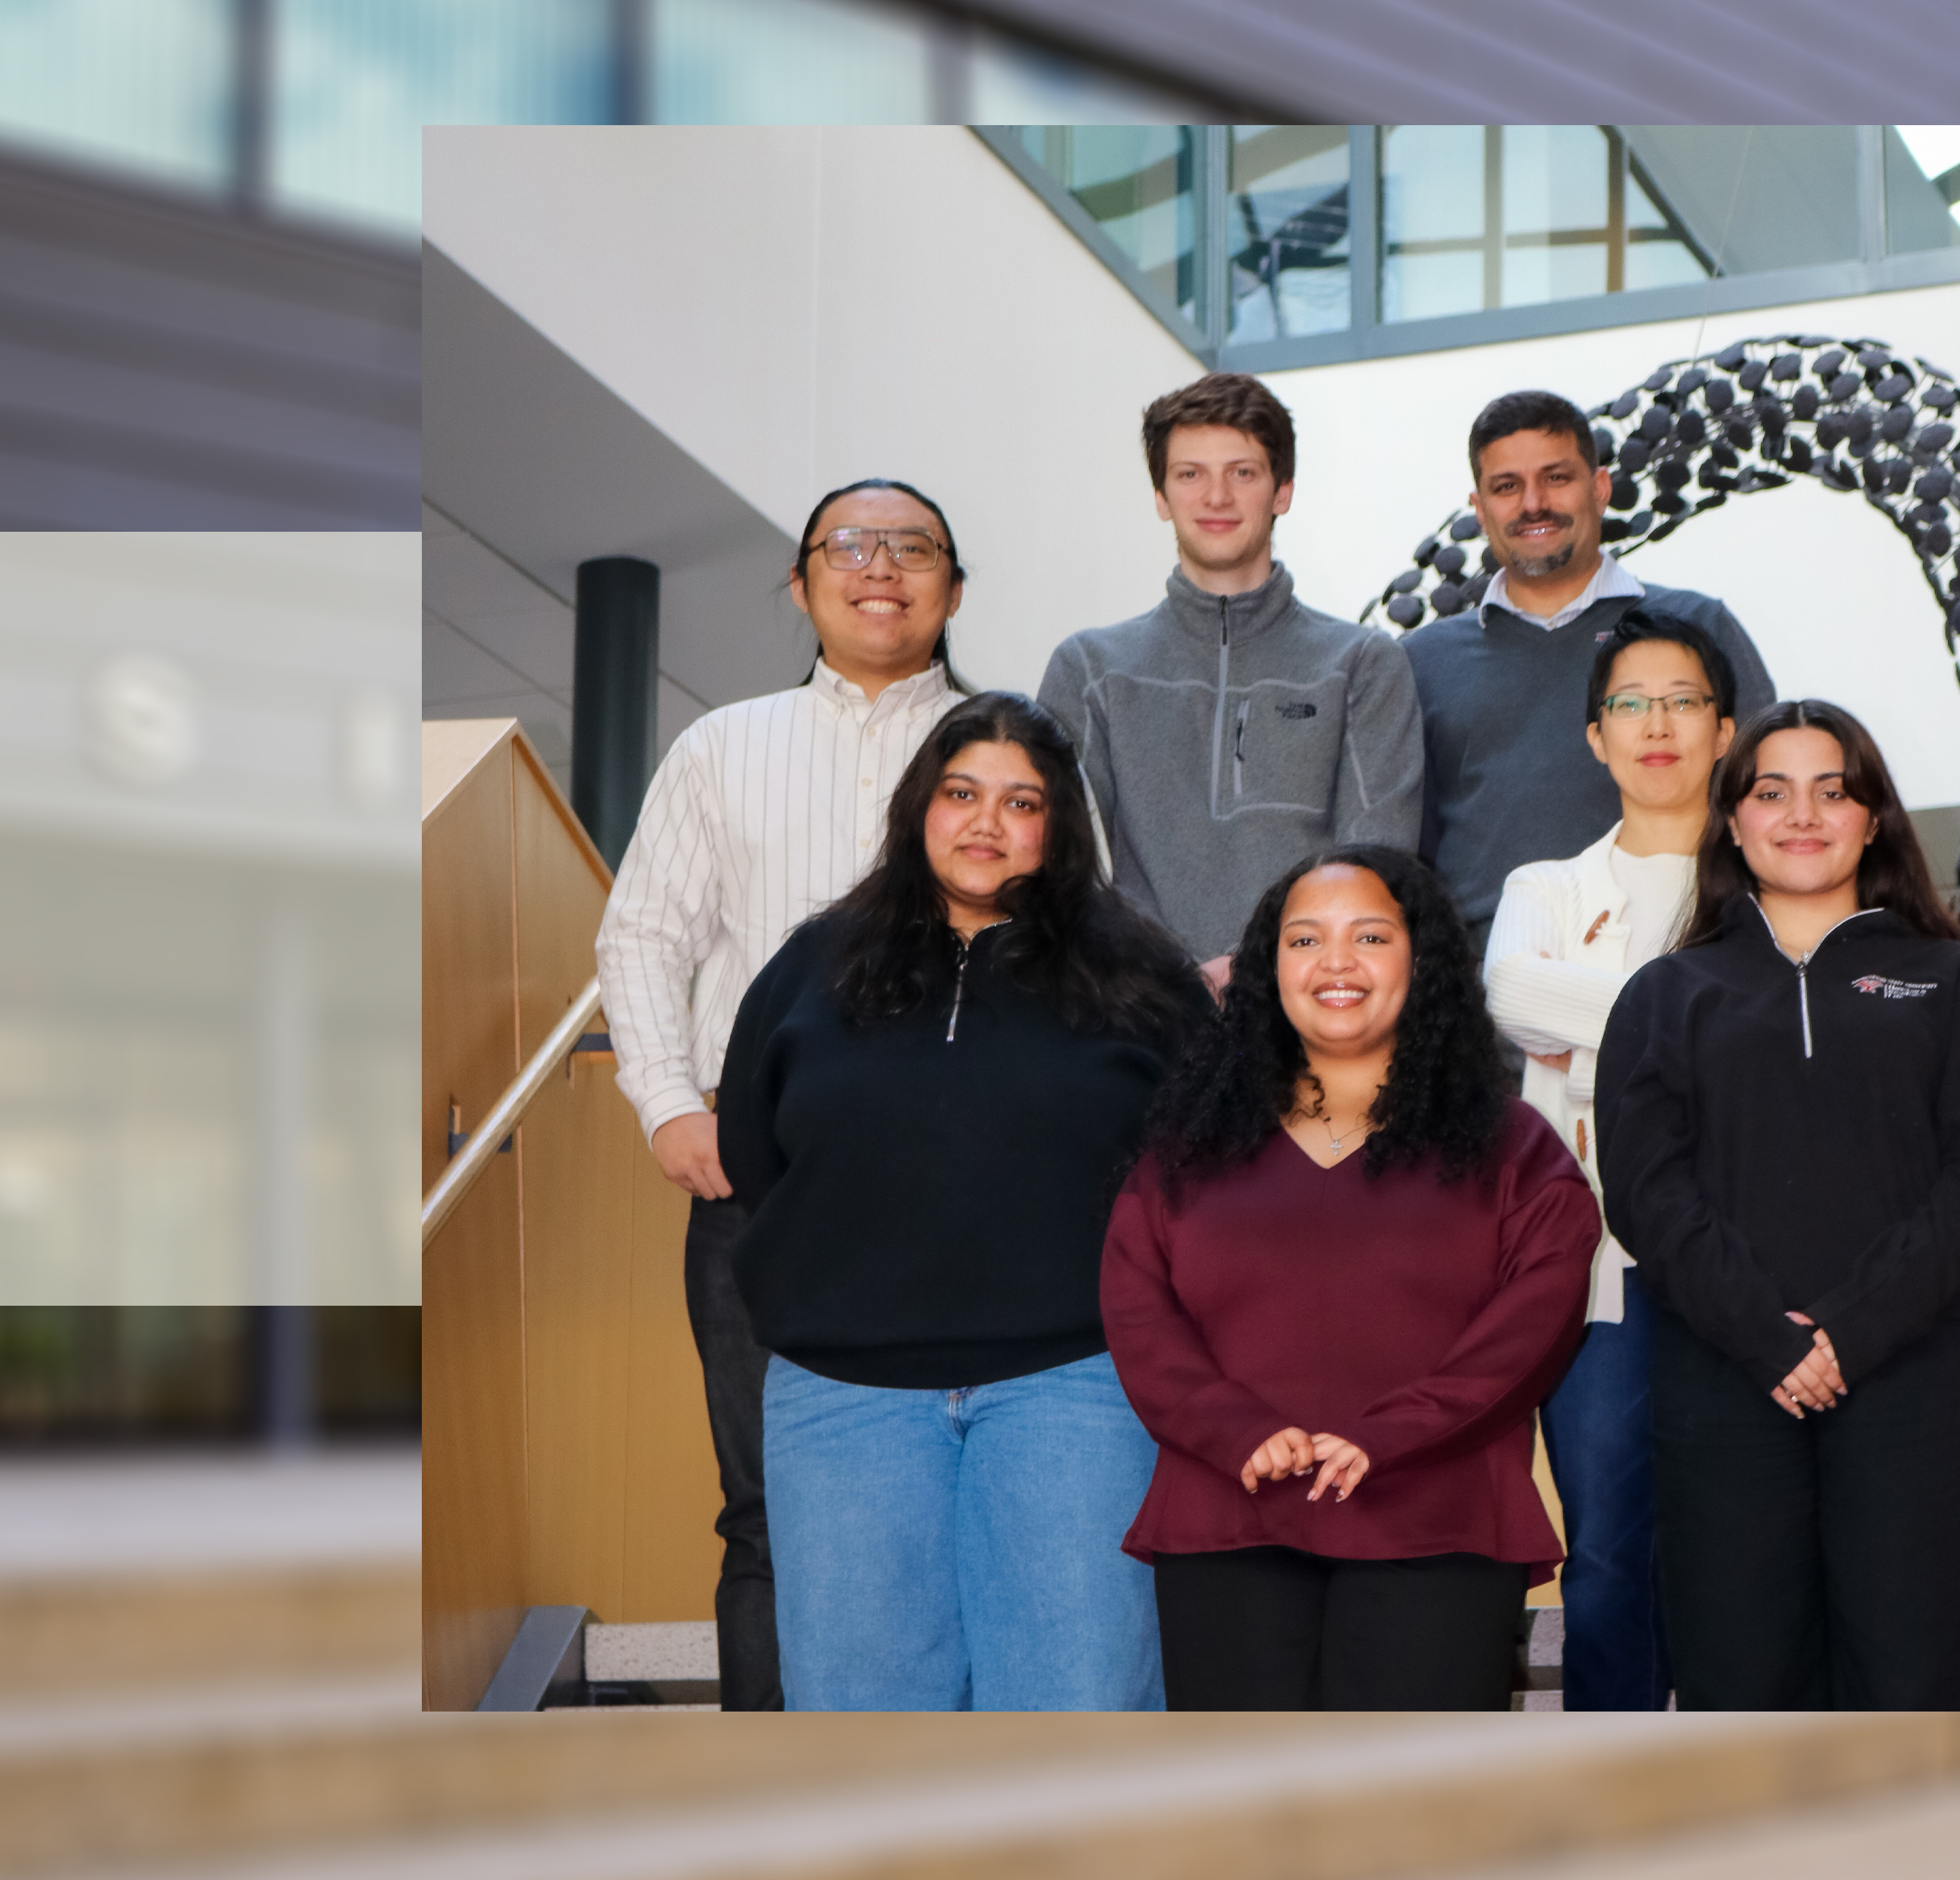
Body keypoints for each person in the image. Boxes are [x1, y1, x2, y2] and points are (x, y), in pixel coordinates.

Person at [713, 691, 1204, 1711]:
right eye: (961, 792)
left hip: (1076, 1389)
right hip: (843, 1399)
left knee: (1080, 1705)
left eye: (1022, 803)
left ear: (1060, 826)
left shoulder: (1140, 974)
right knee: (861, 1723)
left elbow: (1203, 1171)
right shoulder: (815, 965)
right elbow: (753, 1152)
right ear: (918, 808)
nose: (986, 822)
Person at [593, 480, 969, 1711]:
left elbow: (1084, 948)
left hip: (975, 1182)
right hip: (766, 1180)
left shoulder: (1008, 751)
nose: (882, 568)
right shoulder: (720, 746)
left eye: (912, 548)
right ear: (801, 584)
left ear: (952, 590)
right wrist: (665, 1103)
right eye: (850, 546)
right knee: (766, 1509)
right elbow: (643, 934)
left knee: (962, 1503)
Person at [1595, 699, 1960, 1710]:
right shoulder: (1665, 997)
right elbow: (1649, 1194)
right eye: (1772, 792)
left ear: (1874, 817)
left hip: (1913, 1384)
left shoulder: (1958, 984)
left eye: (1833, 792)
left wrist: (1847, 1333)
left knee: (1909, 1684)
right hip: (1723, 1387)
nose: (1803, 815)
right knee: (1739, 1686)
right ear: (1734, 821)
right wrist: (1771, 1340)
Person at [1101, 845, 1599, 1710]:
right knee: (1238, 1825)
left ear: (1423, 961)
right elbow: (1139, 1307)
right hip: (1229, 1517)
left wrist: (1390, 1434)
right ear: (1269, 969)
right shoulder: (1191, 1144)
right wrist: (1236, 1429)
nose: (1336, 962)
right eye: (1305, 940)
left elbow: (1534, 1324)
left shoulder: (1513, 1146)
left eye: (1370, 935)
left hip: (1436, 1522)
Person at [1480, 604, 1738, 1712]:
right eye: (1630, 704)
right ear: (1595, 738)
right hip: (1599, 1280)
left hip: (1744, 1267)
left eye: (1682, 701)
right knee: (1607, 1561)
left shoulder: (1770, 885)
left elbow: (1777, 1055)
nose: (1656, 725)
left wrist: (1602, 1053)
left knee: (1738, 1560)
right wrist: (1706, 1029)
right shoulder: (1546, 889)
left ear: (1727, 729)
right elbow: (1514, 997)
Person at [1039, 371, 1424, 978]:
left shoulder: (1363, 664)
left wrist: (1256, 977)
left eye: (1242, 473)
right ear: (1161, 496)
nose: (1216, 497)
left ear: (1282, 491)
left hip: (1309, 1007)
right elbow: (1062, 868)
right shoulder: (1089, 669)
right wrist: (1173, 983)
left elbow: (1377, 868)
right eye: (1190, 474)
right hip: (1135, 1014)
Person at [1403, 389, 1776, 950]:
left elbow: (1764, 798)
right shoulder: (1421, 661)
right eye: (1507, 487)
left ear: (1600, 488)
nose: (1533, 503)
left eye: (1556, 478)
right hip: (1487, 998)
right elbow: (1410, 854)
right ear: (1479, 509)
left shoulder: (1698, 627)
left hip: (1681, 969)